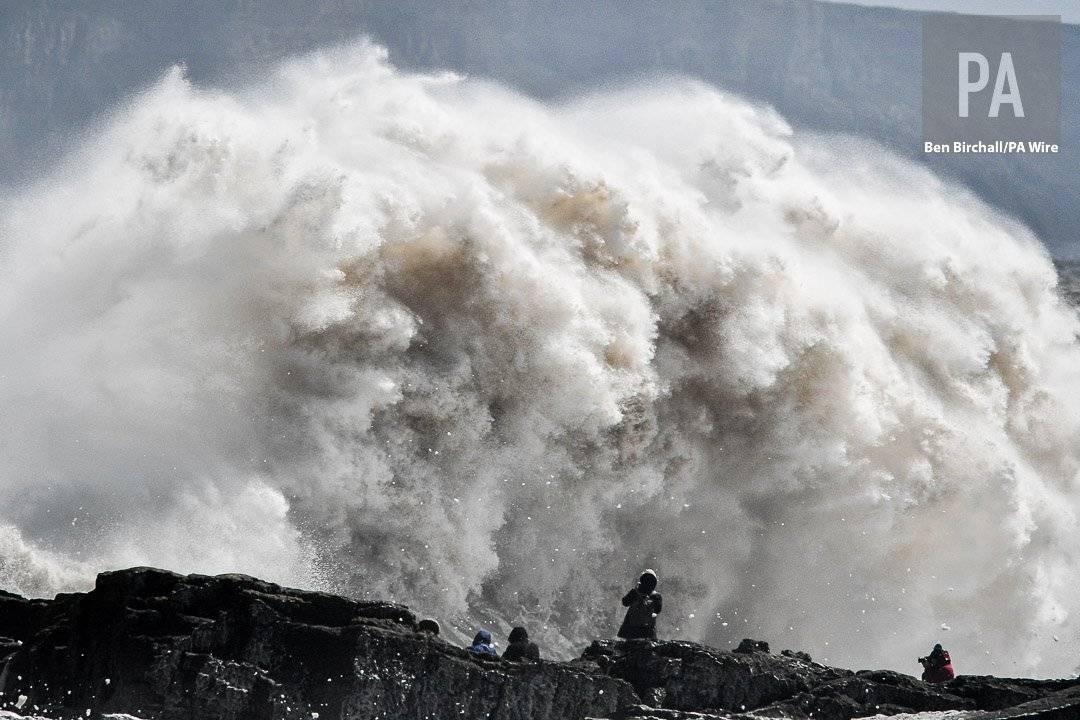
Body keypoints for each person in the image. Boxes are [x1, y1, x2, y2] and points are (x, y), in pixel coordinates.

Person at [617, 569, 663, 639]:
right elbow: (658, 610)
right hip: (647, 629)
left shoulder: (635, 592)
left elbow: (625, 602)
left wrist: (635, 591)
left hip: (632, 628)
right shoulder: (656, 596)